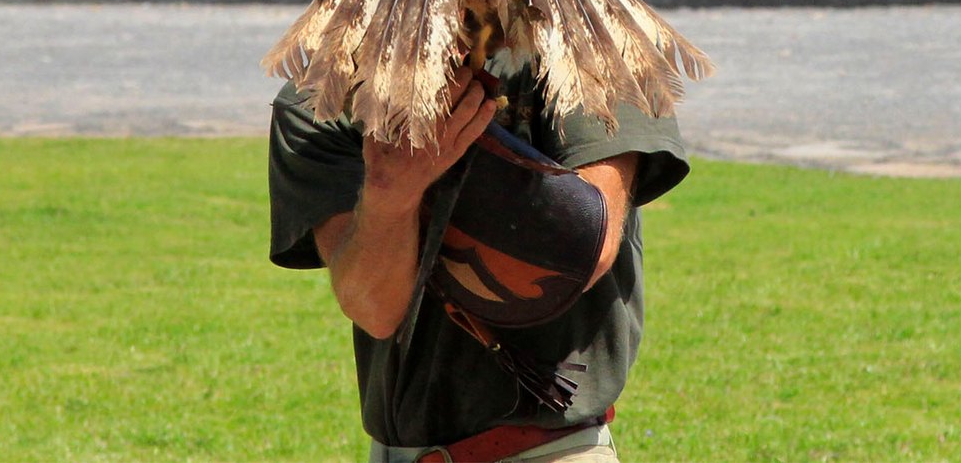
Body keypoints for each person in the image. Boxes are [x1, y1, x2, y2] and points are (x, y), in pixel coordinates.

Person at [268, 50, 692, 461]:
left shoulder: (590, 48)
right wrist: (388, 193)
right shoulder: (324, 93)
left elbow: (585, 250)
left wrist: (467, 143)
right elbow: (374, 308)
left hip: (555, 450)